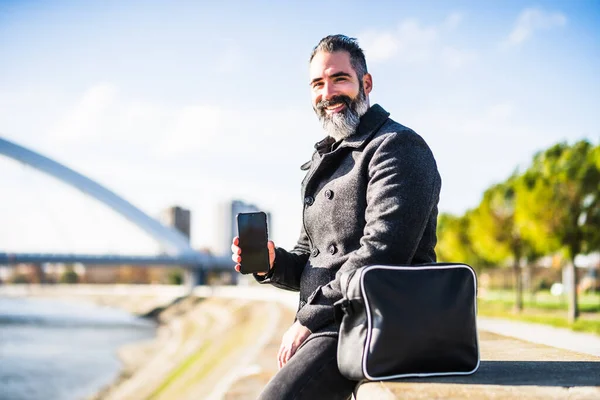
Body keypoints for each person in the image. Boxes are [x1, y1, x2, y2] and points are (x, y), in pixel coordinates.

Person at [231, 34, 441, 400]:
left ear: (366, 83)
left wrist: (308, 320)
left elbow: (382, 252)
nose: (327, 92)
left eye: (339, 78)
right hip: (336, 320)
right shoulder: (323, 161)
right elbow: (312, 260)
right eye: (317, 83)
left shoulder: (397, 147)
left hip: (377, 320)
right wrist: (270, 263)